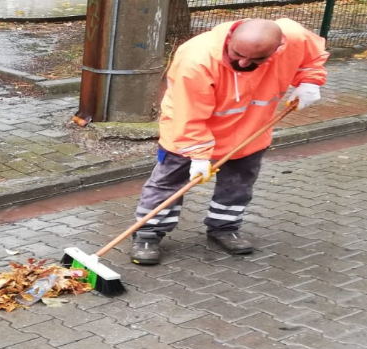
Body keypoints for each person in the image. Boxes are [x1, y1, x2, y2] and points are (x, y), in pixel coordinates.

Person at [130, 18, 329, 265]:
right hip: (187, 133)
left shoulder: (294, 37)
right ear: (230, 39)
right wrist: (199, 155)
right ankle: (148, 234)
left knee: (238, 184)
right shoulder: (196, 59)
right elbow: (188, 115)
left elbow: (312, 57)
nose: (244, 63)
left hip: (250, 131)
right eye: (238, 54)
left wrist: (310, 80)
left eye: (257, 59)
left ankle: (224, 227)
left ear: (279, 48)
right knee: (168, 183)